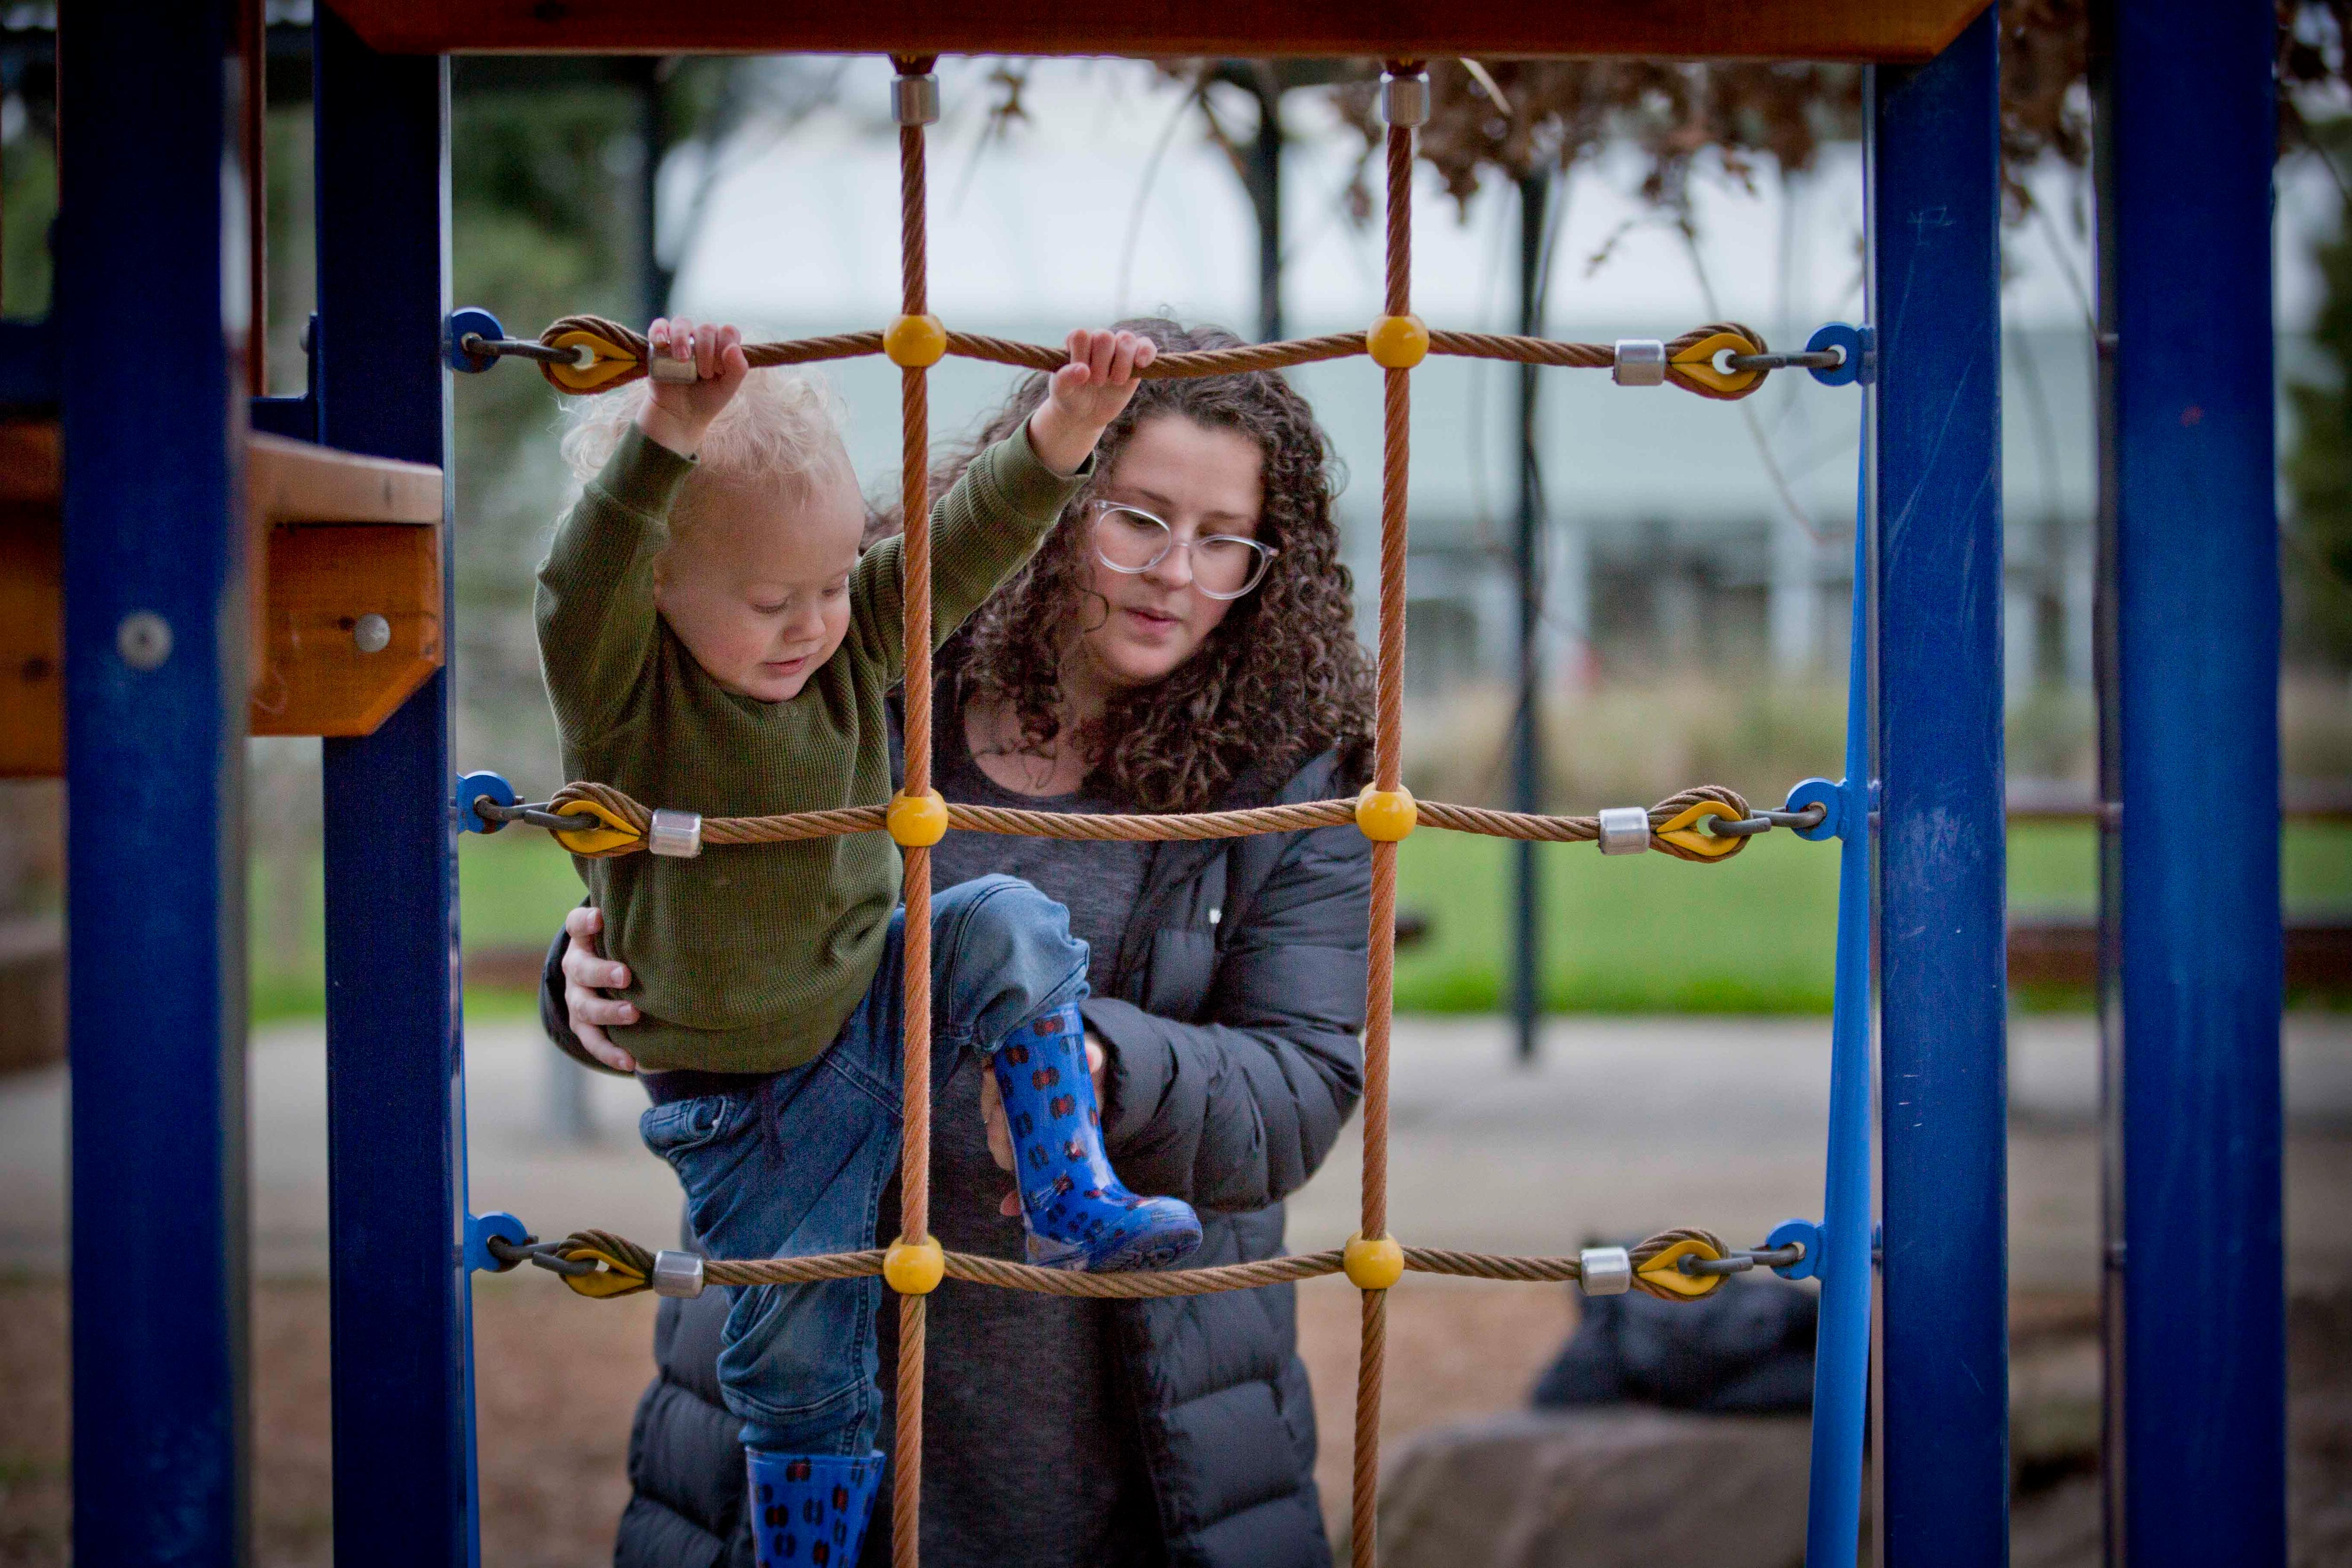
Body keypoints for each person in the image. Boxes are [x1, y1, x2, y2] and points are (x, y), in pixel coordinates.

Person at [546, 318, 1377, 1568]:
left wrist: (1105, 1064)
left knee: (994, 925)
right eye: (1139, 519)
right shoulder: (844, 673)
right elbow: (667, 861)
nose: (1174, 573)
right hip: (815, 1247)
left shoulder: (1294, 782)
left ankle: (1072, 1190)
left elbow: (1301, 1091)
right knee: (799, 1383)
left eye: (1225, 544)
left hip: (1131, 1424)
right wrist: (586, 987)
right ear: (1070, 510)